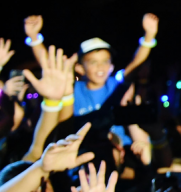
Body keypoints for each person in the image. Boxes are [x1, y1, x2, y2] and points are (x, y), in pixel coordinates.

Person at [24, 13, 160, 116]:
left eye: (105, 61)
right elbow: (49, 66)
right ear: (80, 68)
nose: (100, 67)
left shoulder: (116, 86)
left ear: (111, 66)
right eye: (93, 62)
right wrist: (34, 37)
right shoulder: (72, 90)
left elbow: (135, 64)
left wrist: (149, 36)